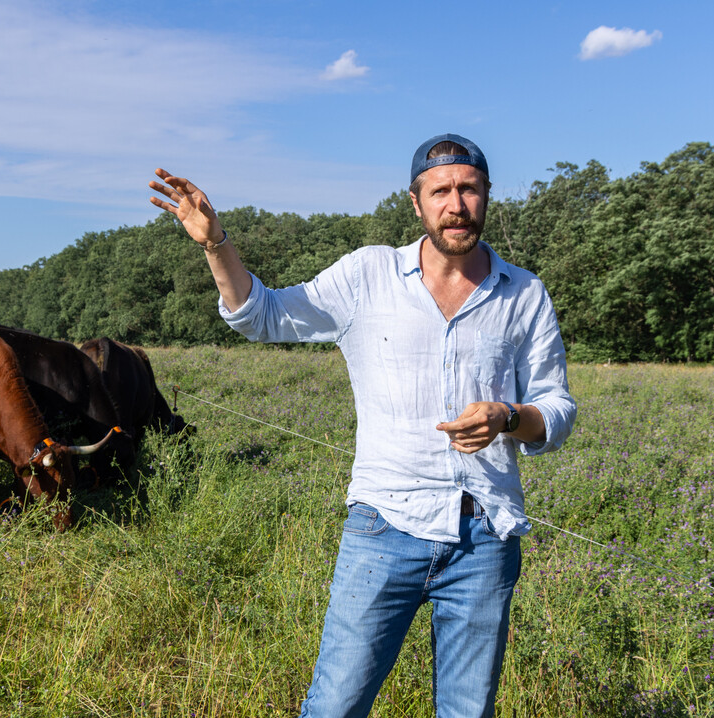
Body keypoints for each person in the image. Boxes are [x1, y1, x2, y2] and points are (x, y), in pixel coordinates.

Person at [148, 134, 577, 718]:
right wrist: (216, 244)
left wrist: (509, 417)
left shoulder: (524, 293)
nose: (456, 204)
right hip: (385, 529)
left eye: (469, 189)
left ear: (486, 195)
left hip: (485, 536)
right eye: (441, 191)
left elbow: (556, 406)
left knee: (467, 712)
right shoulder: (368, 275)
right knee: (335, 706)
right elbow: (263, 315)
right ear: (415, 202)